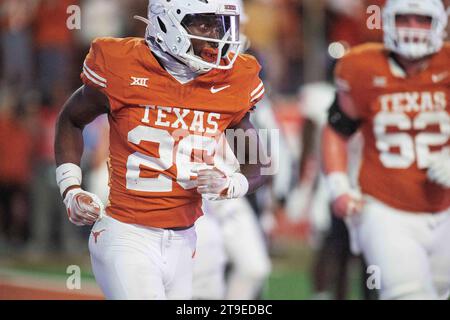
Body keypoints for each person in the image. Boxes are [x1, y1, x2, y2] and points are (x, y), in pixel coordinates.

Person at [54, 0, 269, 300]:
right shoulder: (122, 65)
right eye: (204, 24)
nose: (216, 36)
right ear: (168, 23)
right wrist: (70, 188)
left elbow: (257, 164)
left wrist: (233, 183)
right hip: (126, 234)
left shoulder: (230, 80)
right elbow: (71, 118)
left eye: (219, 25)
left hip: (184, 240)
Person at [322, 0, 450, 299]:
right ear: (388, 21)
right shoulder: (362, 66)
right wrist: (338, 185)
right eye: (405, 19)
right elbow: (337, 129)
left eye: (422, 20)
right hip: (385, 206)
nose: (413, 29)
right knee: (407, 293)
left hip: (446, 207)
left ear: (439, 24)